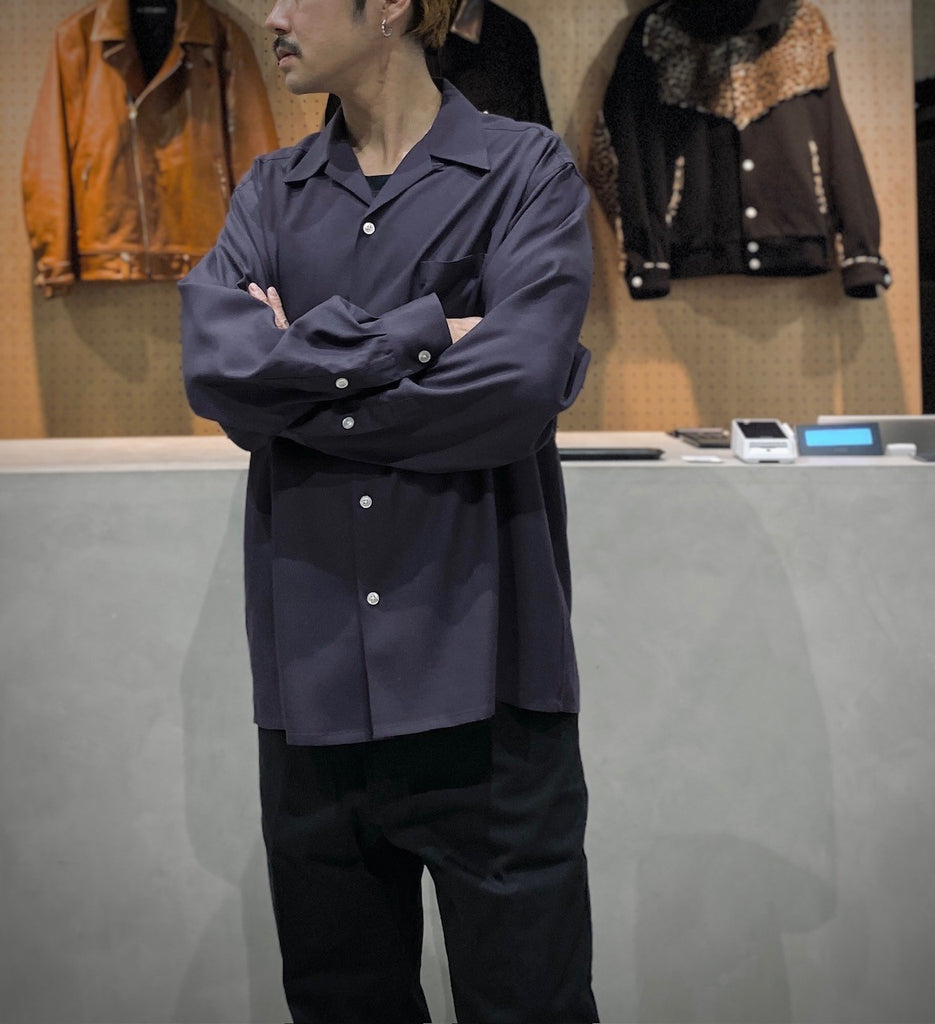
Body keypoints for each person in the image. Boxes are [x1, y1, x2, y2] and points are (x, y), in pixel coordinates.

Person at [178, 0, 598, 1020]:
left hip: (492, 696)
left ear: (395, 7)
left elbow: (519, 383)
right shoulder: (269, 191)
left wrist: (299, 383)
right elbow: (219, 371)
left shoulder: (527, 171)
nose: (271, 16)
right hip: (314, 699)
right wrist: (429, 332)